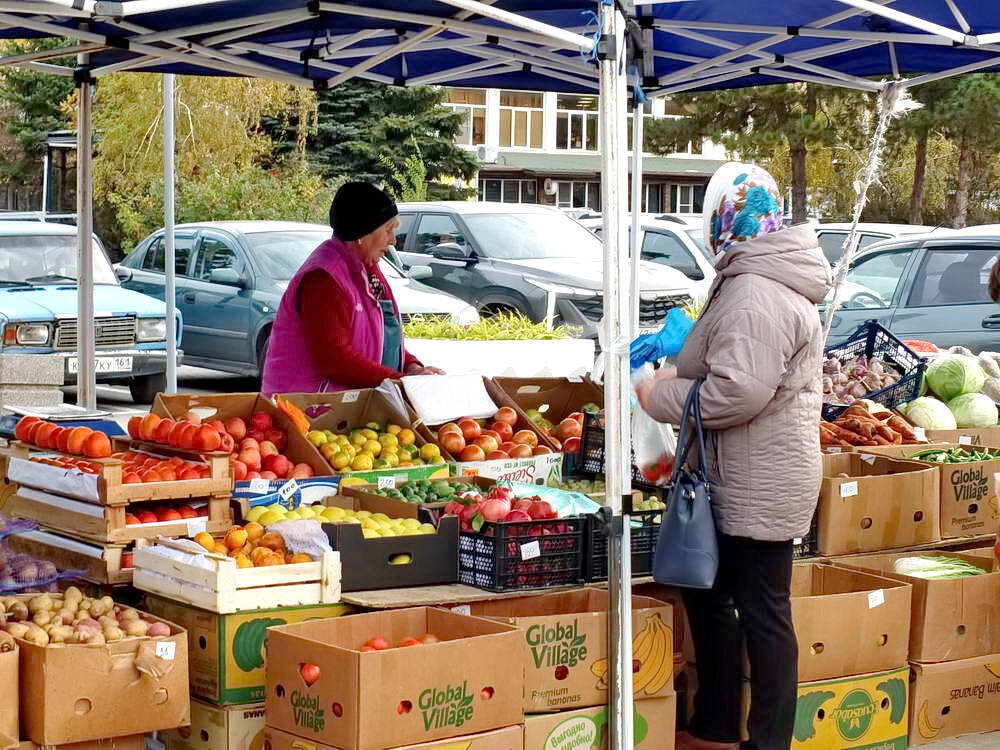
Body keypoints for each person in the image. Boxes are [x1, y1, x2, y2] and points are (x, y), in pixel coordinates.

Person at [635, 163, 832, 750]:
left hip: (759, 480)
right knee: (709, 595)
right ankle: (716, 721)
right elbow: (731, 364)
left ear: (726, 217)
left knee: (763, 612)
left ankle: (767, 740)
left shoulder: (757, 289)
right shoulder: (753, 275)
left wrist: (656, 394)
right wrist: (678, 361)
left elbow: (737, 392)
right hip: (739, 473)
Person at [262, 181, 443, 396]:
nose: (393, 240)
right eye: (388, 230)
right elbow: (335, 360)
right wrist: (402, 382)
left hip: (341, 407)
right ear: (362, 233)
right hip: (306, 408)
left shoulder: (367, 269)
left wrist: (412, 367)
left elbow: (381, 338)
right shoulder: (323, 279)